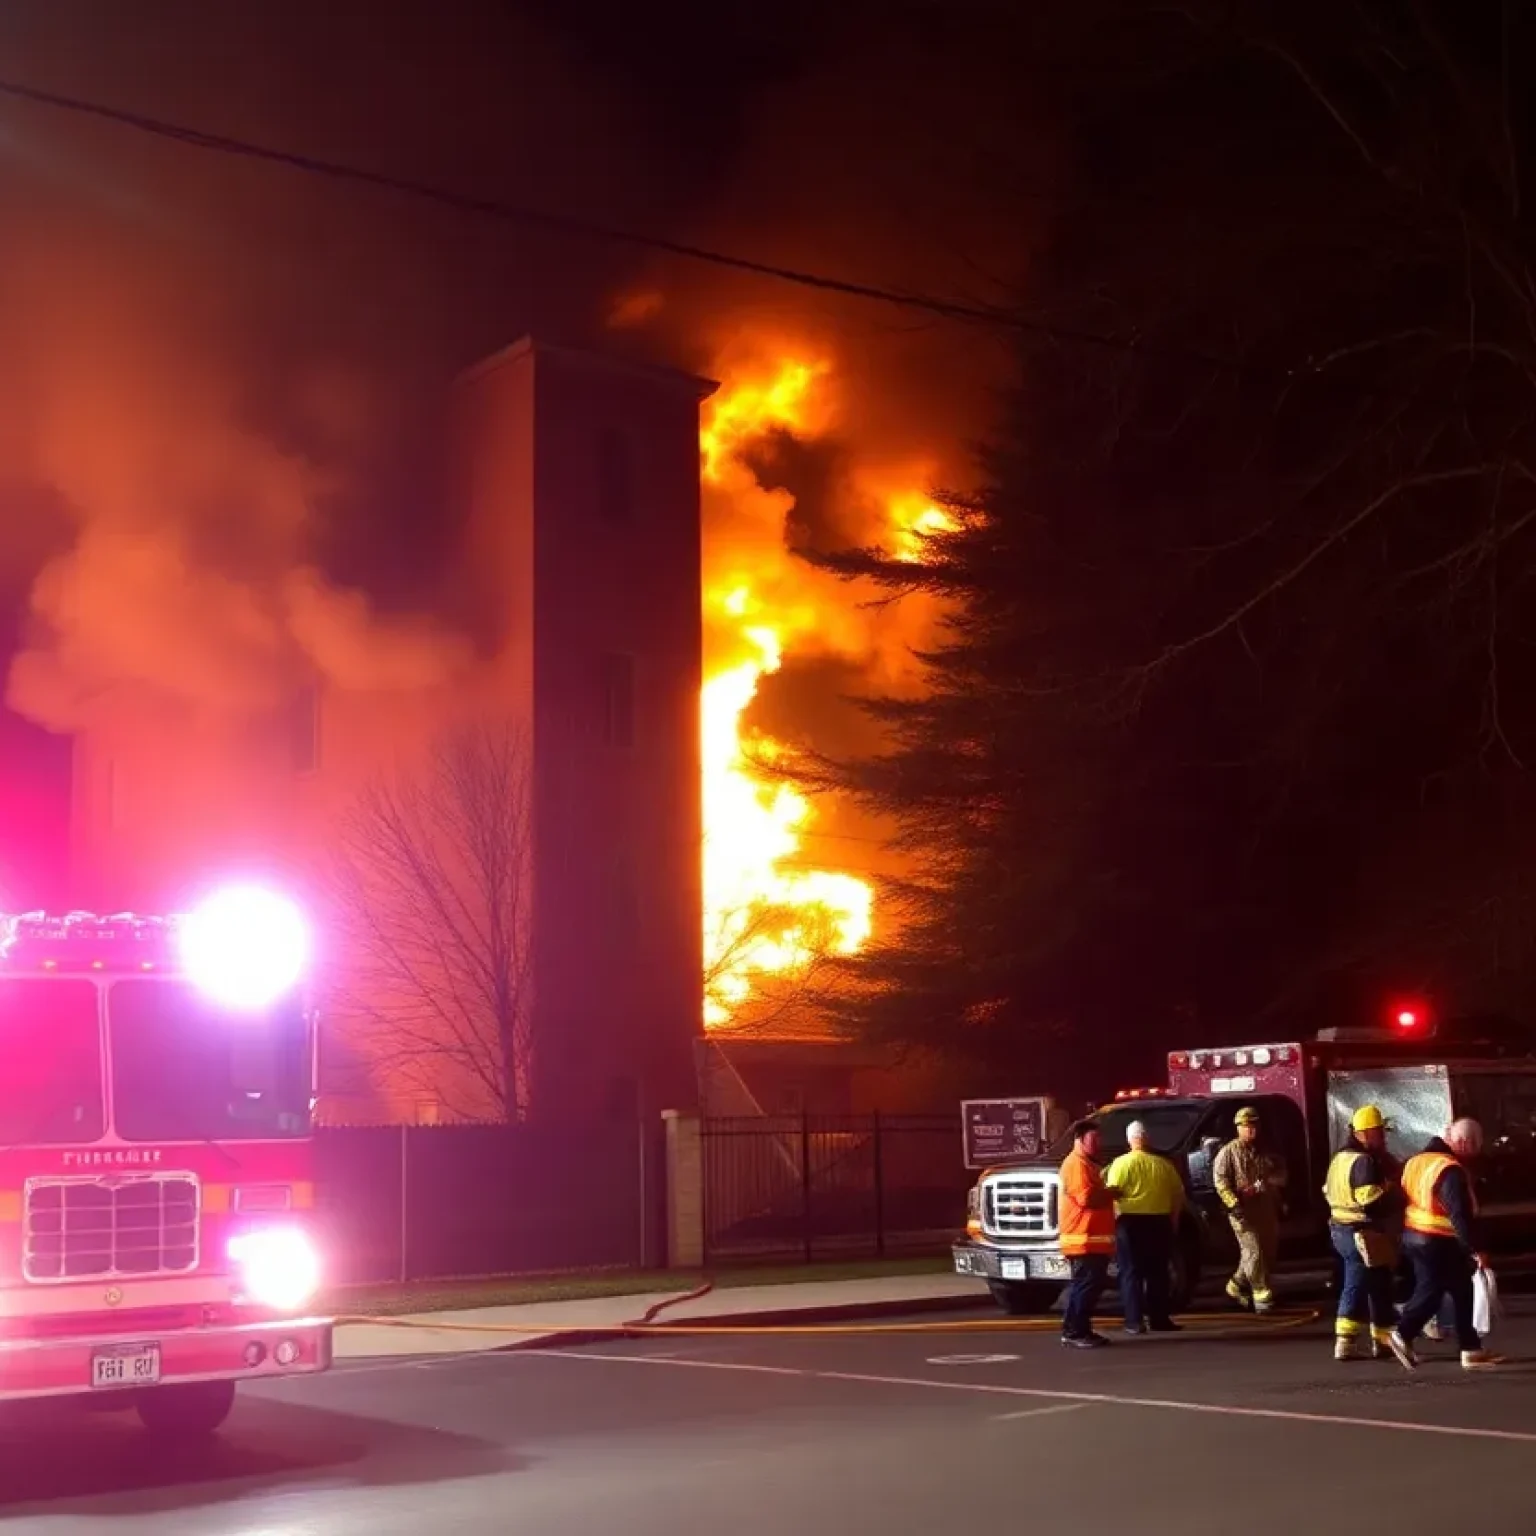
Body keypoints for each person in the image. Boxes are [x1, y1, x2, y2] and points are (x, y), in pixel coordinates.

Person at [1386, 1118, 1502, 1371]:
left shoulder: (1416, 1161)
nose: (1476, 1152)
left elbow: (1400, 1196)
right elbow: (1458, 1214)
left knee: (1462, 1289)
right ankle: (1402, 1333)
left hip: (1413, 1235)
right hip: (1437, 1240)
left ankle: (1471, 1348)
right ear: (1462, 1142)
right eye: (1474, 1146)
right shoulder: (1449, 1169)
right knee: (1432, 1291)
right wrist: (1475, 1248)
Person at [1323, 1104, 1402, 1361]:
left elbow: (1327, 1190)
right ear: (1367, 1133)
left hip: (1341, 1228)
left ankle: (1384, 1340)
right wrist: (1391, 1192)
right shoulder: (1364, 1161)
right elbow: (1370, 1200)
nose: (1383, 1137)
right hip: (1359, 1231)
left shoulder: (1339, 1158)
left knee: (1379, 1282)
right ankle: (1345, 1343)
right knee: (1356, 1283)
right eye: (1379, 1132)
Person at [1104, 1119, 1185, 1334]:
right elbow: (1178, 1197)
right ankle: (1160, 1319)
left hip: (1130, 1223)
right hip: (1160, 1222)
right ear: (1147, 1139)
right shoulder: (1164, 1165)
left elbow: (1111, 1194)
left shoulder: (1120, 1164)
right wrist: (1173, 1223)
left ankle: (1134, 1321)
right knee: (1158, 1273)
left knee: (1131, 1273)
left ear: (1130, 1140)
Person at [1213, 1105, 1288, 1313]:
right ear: (1238, 1128)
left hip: (1265, 1209)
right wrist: (1234, 1205)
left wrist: (1279, 1200)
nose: (1251, 1129)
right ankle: (1262, 1296)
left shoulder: (1264, 1152)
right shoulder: (1228, 1153)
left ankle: (1235, 1286)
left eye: (1254, 1125)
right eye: (1246, 1126)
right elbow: (1221, 1183)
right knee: (1254, 1252)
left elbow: (1278, 1176)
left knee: (1268, 1252)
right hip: (1243, 1212)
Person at [1058, 1117, 1121, 1349]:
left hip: (1091, 1240)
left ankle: (1076, 1329)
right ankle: (1076, 1331)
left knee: (1085, 1286)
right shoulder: (1076, 1165)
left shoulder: (1087, 1164)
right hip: (1083, 1240)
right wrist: (1113, 1192)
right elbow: (1087, 1198)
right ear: (1079, 1140)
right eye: (1094, 1138)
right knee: (1084, 1287)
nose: (1099, 1143)